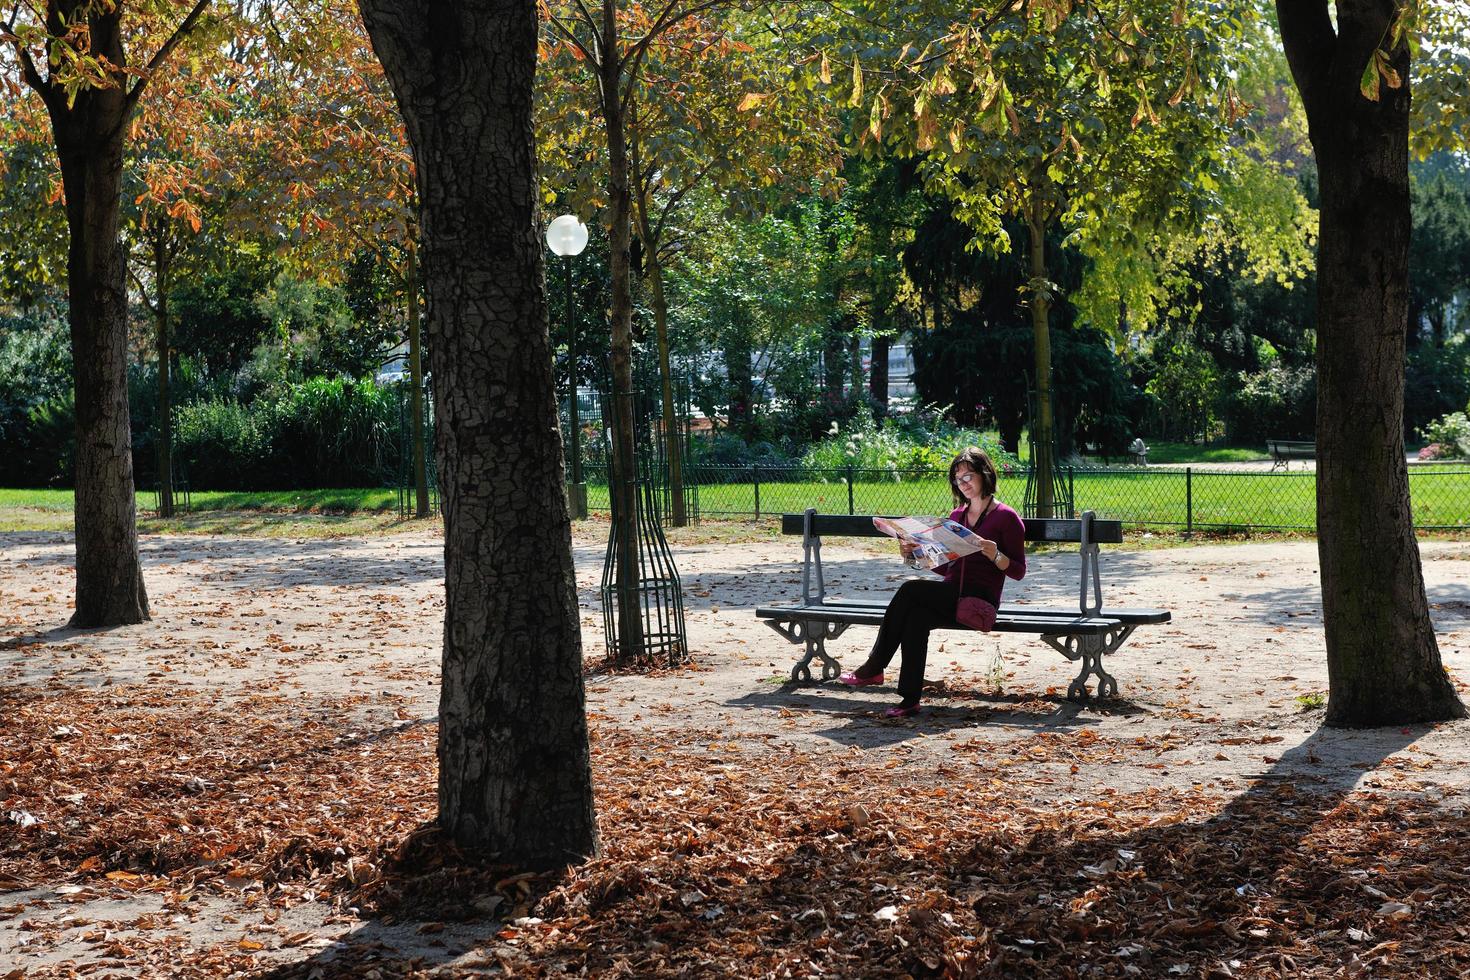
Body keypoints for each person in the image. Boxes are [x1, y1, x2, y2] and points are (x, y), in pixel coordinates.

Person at [839, 447, 1026, 717]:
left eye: (969, 477)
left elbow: (1018, 571)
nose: (964, 485)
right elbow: (944, 568)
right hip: (951, 594)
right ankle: (909, 700)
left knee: (910, 589)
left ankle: (876, 665)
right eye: (958, 480)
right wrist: (913, 555)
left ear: (985, 474)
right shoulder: (955, 518)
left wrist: (995, 554)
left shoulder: (1006, 517)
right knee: (915, 617)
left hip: (978, 600)